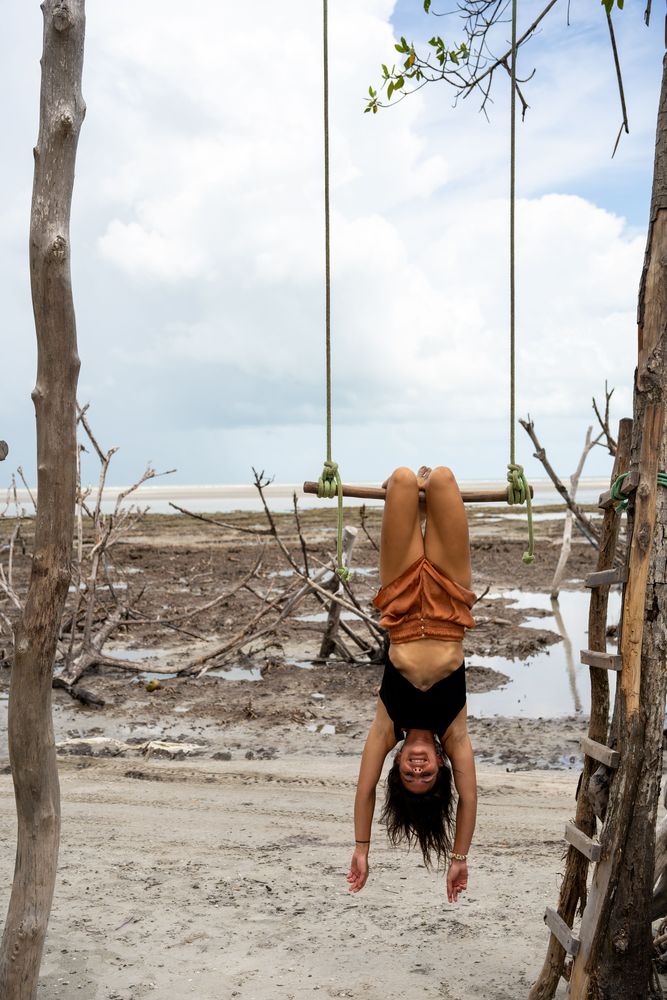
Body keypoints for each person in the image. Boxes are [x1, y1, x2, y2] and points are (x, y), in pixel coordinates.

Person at [346, 466, 477, 902]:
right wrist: (459, 856)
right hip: (448, 596)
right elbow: (471, 796)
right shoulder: (454, 733)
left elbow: (364, 791)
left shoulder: (387, 727)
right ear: (441, 767)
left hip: (400, 599)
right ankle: (428, 490)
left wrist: (362, 848)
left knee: (401, 479)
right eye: (426, 776)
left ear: (397, 765)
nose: (417, 769)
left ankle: (410, 491)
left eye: (408, 775)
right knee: (442, 479)